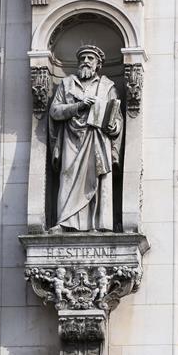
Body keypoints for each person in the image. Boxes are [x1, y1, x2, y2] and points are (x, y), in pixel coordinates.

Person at [49, 45, 122, 232]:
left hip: (97, 139)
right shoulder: (66, 84)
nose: (86, 62)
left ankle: (95, 224)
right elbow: (55, 111)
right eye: (82, 58)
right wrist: (79, 106)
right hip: (71, 140)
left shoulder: (107, 86)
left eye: (90, 58)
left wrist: (113, 127)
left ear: (98, 64)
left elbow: (116, 117)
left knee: (96, 179)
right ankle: (66, 223)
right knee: (68, 178)